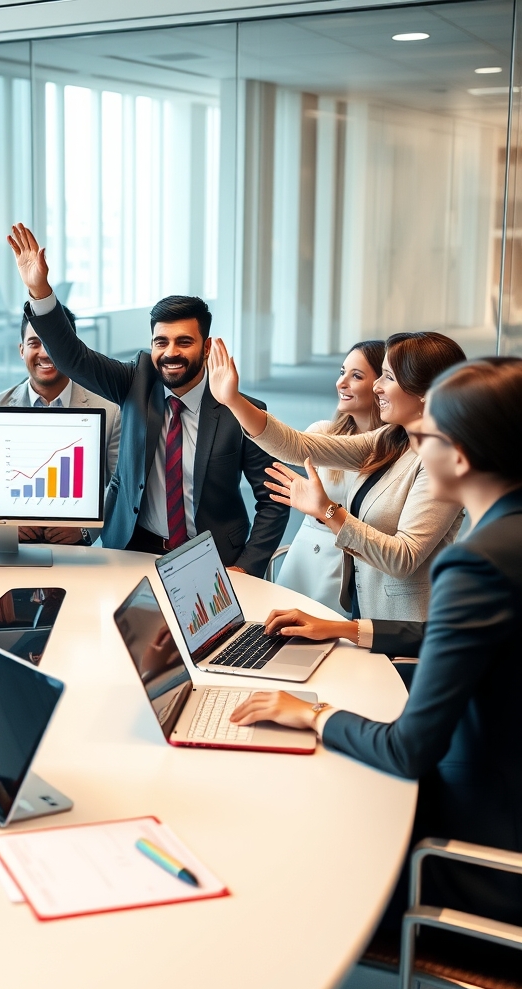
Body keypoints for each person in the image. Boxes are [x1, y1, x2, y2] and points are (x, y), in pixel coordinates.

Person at [229, 356, 522, 935]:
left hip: (484, 862)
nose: (413, 447)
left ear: (458, 457)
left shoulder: (476, 563)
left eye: (426, 435)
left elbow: (407, 750)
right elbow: (469, 638)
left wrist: (316, 714)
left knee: (294, 860)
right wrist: (350, 630)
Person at [7, 223, 288, 575]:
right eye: (161, 342)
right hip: (133, 549)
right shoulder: (134, 383)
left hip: (213, 557)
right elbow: (73, 358)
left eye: (184, 342)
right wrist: (40, 290)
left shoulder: (242, 410)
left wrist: (246, 566)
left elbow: (274, 501)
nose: (170, 353)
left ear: (206, 345)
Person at [207, 332, 465, 620]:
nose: (378, 386)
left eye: (388, 377)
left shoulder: (443, 462)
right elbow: (298, 446)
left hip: (404, 629)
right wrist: (233, 401)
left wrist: (327, 511)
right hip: (364, 610)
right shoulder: (392, 439)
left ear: (425, 393)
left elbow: (403, 558)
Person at [0, 306, 122, 546]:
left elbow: (120, 486)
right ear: (21, 350)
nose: (45, 353)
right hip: (10, 545)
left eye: (54, 343)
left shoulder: (109, 410)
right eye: (34, 343)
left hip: (74, 548)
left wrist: (85, 529)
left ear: (72, 349)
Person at [275, 340, 385, 614]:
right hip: (306, 559)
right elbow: (288, 443)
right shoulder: (324, 432)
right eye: (342, 372)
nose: (341, 383)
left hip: (353, 565)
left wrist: (325, 509)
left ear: (381, 386)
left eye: (356, 376)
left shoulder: (393, 451)